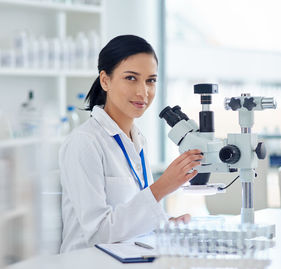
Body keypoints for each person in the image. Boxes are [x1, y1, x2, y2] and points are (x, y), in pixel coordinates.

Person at [59, 35, 203, 253]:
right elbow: (99, 233)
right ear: (105, 80)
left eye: (151, 80)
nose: (143, 92)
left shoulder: (137, 140)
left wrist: (165, 225)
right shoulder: (84, 143)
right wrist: (162, 187)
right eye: (131, 78)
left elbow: (130, 217)